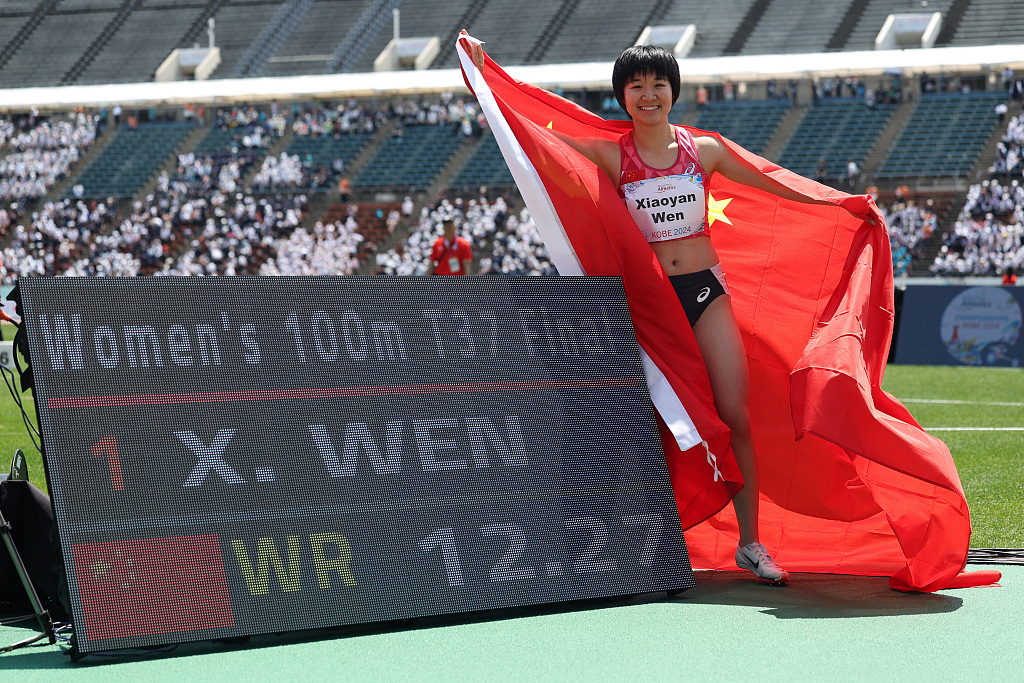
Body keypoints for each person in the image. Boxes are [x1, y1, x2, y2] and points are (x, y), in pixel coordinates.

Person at [466, 38, 870, 585]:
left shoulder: (704, 151)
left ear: (674, 92)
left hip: (705, 292)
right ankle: (651, 540)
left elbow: (774, 182)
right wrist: (485, 74)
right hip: (650, 307)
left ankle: (750, 543)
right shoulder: (611, 155)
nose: (649, 94)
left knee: (736, 416)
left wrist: (839, 204)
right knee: (653, 428)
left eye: (659, 84)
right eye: (637, 86)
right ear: (623, 97)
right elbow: (534, 135)